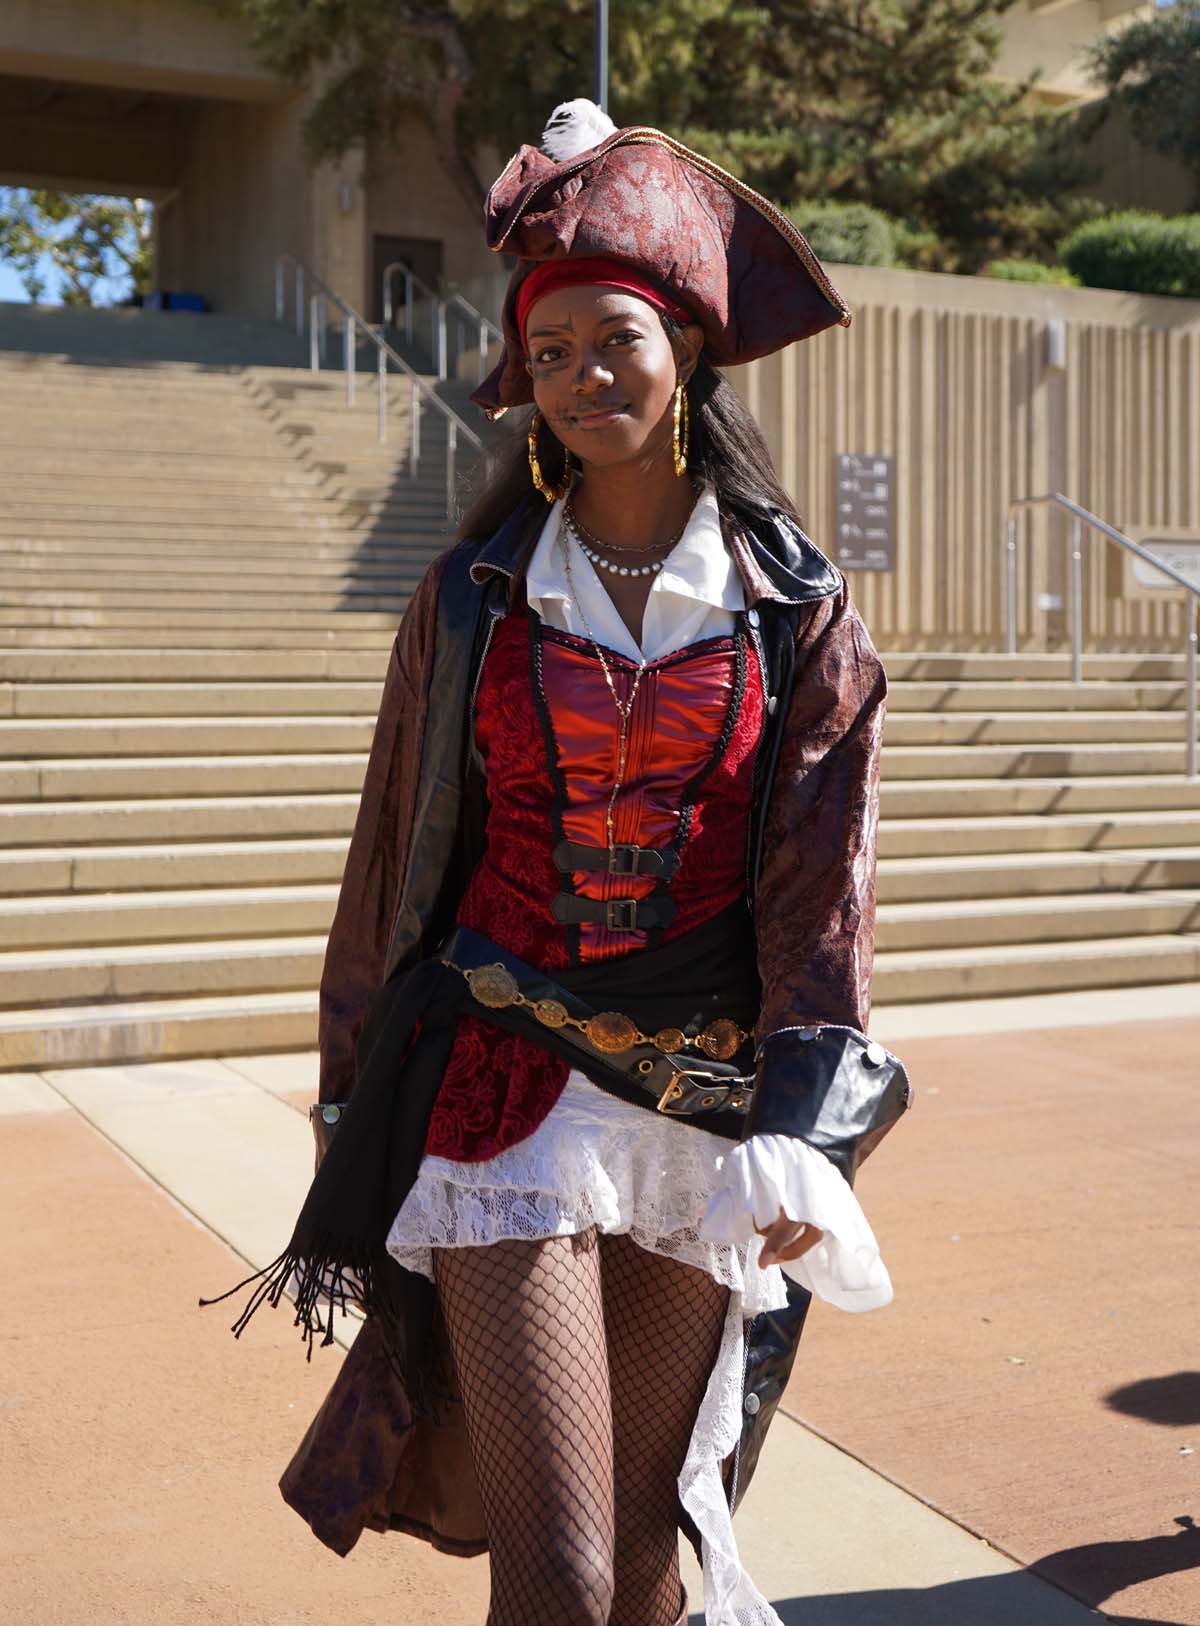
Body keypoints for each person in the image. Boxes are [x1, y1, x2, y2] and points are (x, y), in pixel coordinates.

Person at [205, 101, 910, 1626]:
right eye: (549, 355)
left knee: (650, 1554)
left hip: (703, 1104)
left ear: (686, 359)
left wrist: (809, 1126)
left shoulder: (797, 613)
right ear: (520, 388)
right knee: (564, 1567)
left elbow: (821, 894)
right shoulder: (470, 597)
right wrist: (349, 1092)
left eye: (614, 342)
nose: (582, 377)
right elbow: (390, 863)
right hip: (500, 1089)